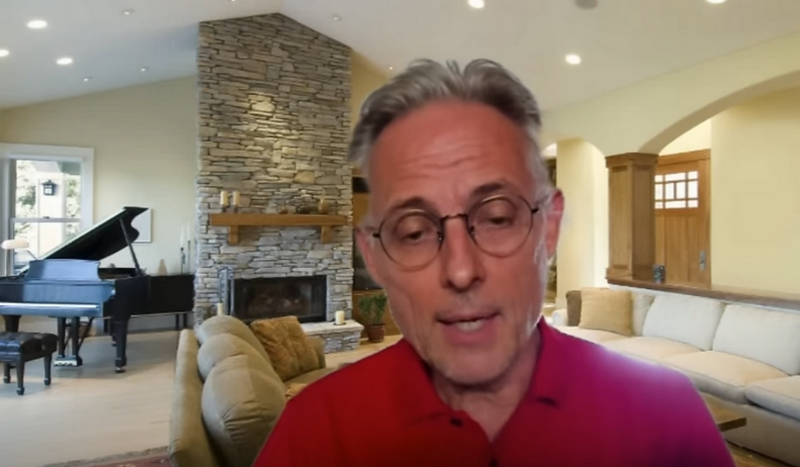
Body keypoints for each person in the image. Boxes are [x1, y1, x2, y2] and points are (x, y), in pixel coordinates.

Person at [252, 59, 734, 467]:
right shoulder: (315, 432)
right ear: (374, 255)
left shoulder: (667, 416)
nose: (461, 270)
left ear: (549, 228)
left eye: (497, 218)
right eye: (414, 231)